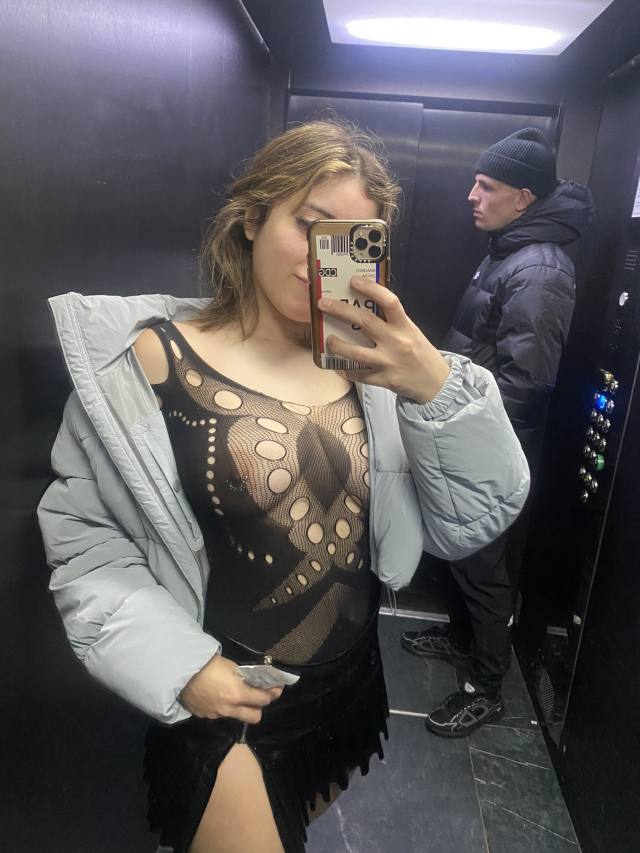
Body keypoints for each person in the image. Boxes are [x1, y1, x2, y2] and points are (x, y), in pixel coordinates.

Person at [38, 120, 529, 853]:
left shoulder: (377, 369)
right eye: (308, 224)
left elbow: (478, 516)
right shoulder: (148, 362)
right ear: (251, 218)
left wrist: (435, 384)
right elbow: (86, 541)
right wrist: (180, 665)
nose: (320, 256)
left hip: (352, 683)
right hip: (229, 701)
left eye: (352, 238)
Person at [401, 127, 594, 738]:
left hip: (490, 439)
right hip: (471, 429)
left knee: (484, 563)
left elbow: (527, 381)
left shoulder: (539, 268)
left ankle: (486, 688)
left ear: (524, 197)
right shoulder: (511, 249)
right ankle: (462, 640)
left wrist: (465, 437)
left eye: (486, 186)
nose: (472, 195)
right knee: (465, 552)